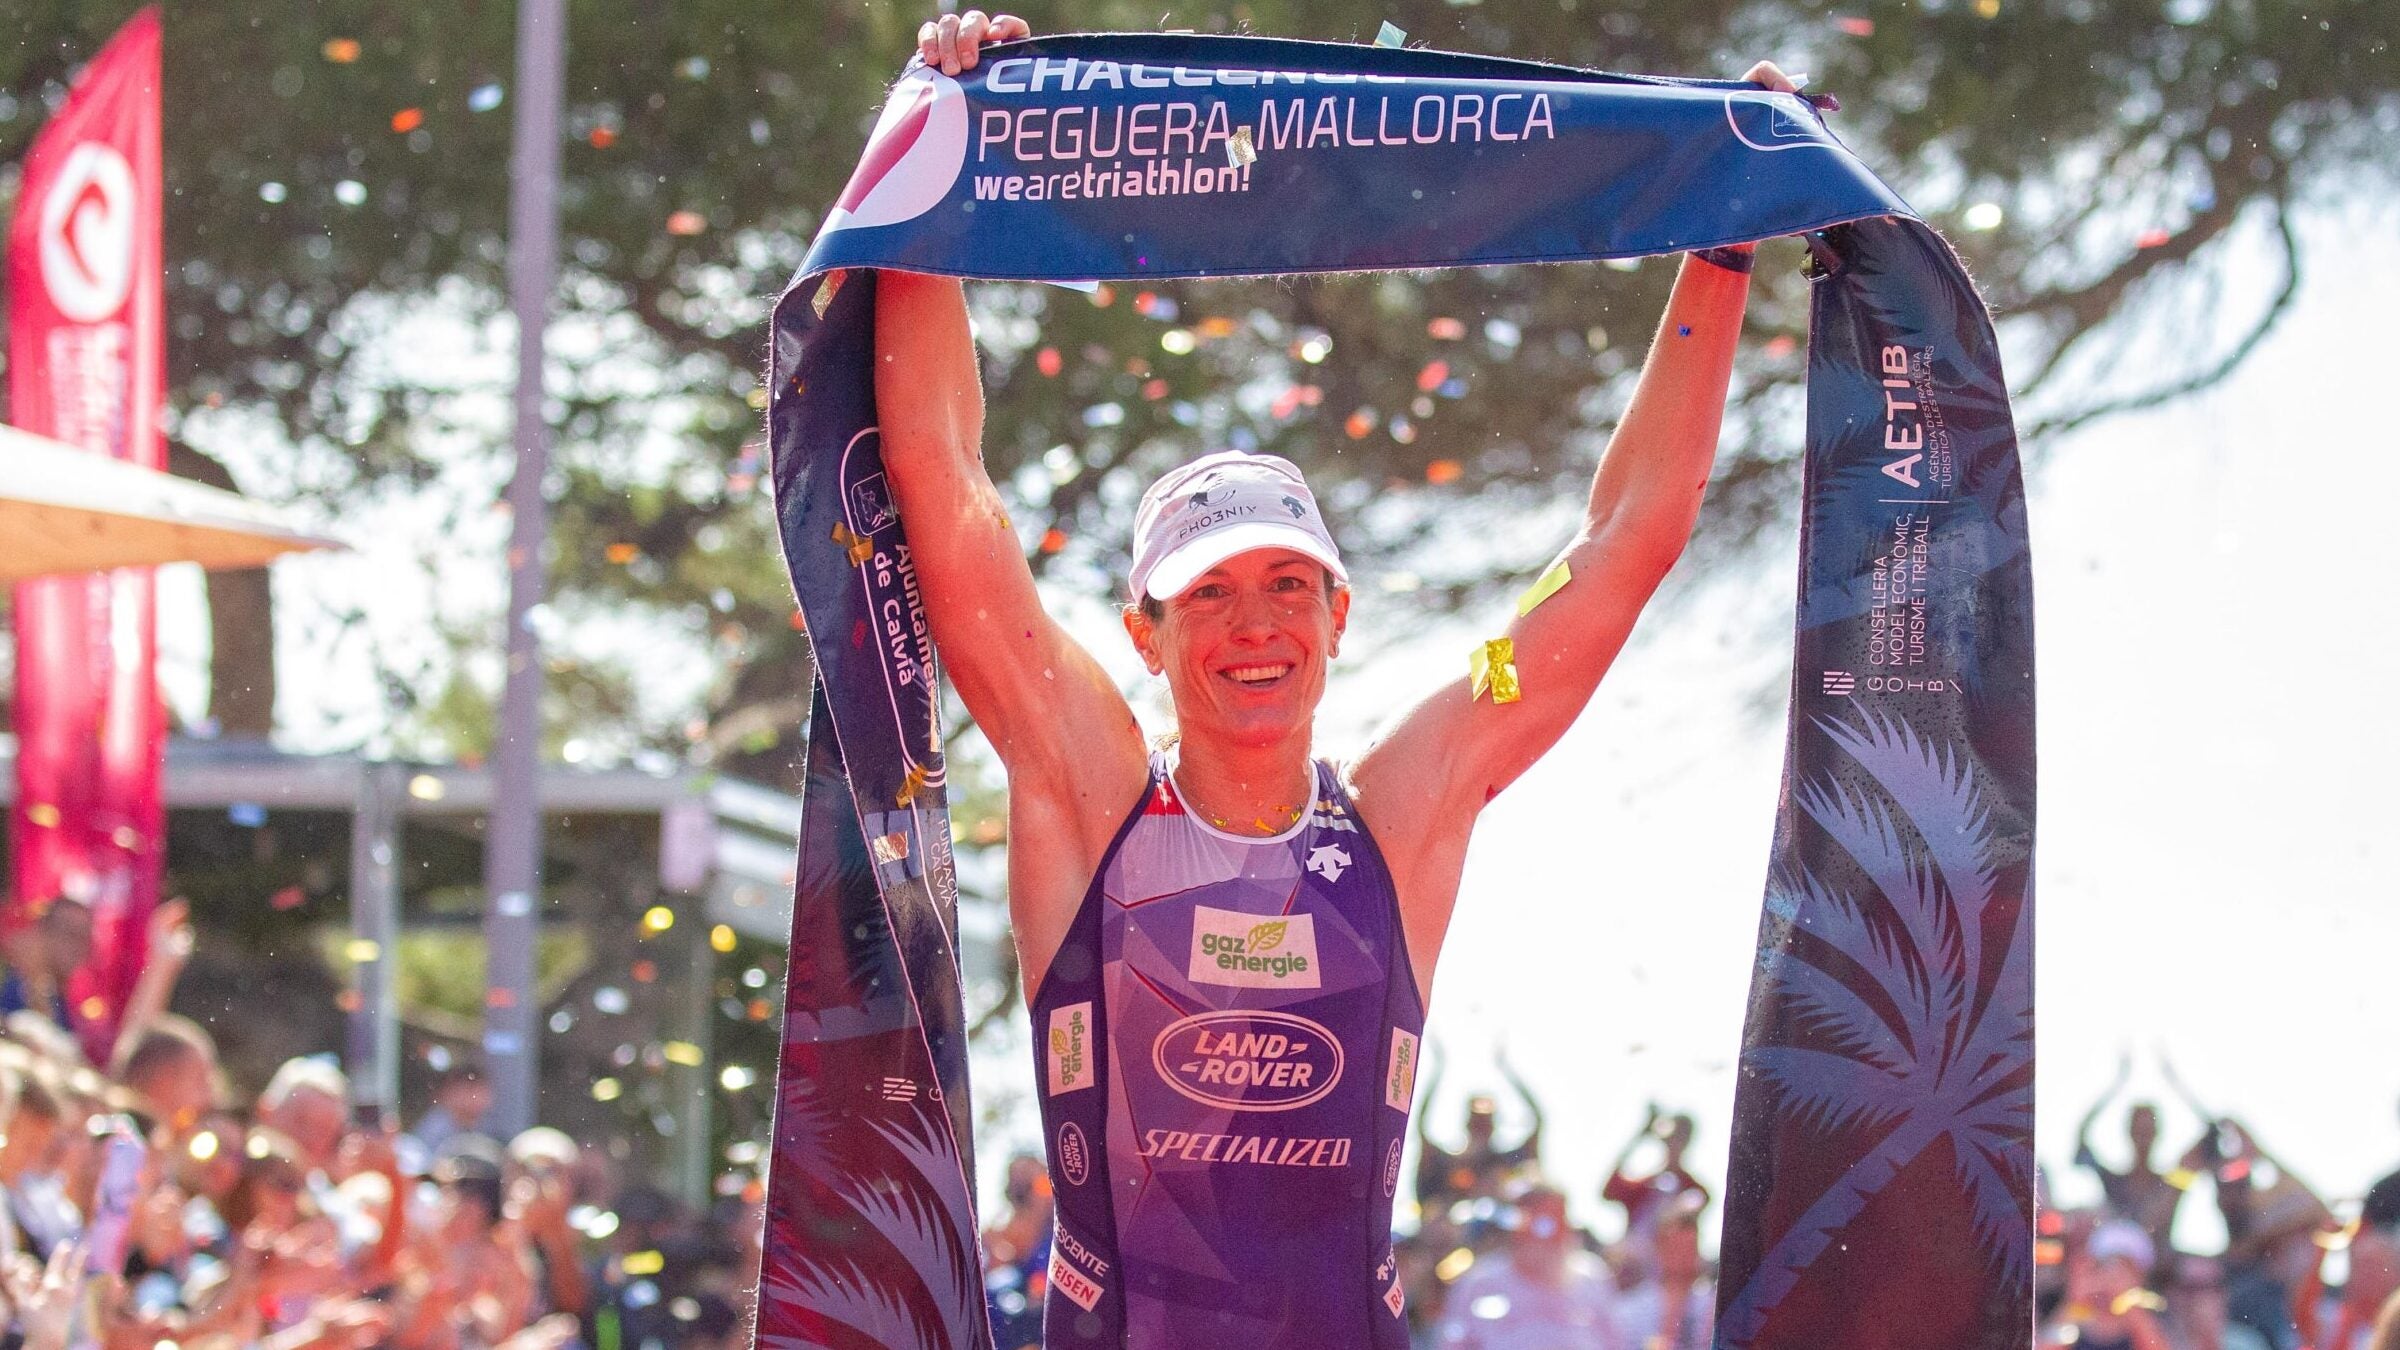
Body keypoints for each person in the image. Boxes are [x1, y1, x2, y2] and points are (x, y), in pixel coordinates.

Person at [892, 14, 1794, 1343]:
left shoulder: (1403, 807)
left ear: (1339, 615)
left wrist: (1725, 238)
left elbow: (1619, 547)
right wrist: (938, 172)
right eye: (1209, 591)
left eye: (1286, 585)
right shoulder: (1089, 792)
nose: (1252, 623)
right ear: (1145, 632)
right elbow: (945, 485)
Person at [1437, 1182, 1621, 1349]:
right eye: (1530, 1224)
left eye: (1551, 1223)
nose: (1541, 1238)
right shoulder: (1480, 1282)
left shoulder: (1591, 1279)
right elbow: (1454, 1342)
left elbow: (1615, 1342)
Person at [2075, 1062, 2184, 1276]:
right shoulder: (2112, 1180)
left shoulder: (2173, 1182)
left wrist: (2175, 1082)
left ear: (2157, 1133)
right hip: (2116, 1275)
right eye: (2138, 1128)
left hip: (2160, 1277)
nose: (2143, 1136)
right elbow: (2081, 1140)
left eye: (2148, 1129)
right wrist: (2115, 1085)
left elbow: (2209, 1141)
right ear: (2128, 1132)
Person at [1417, 1049, 1545, 1216]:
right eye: (1477, 1122)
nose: (1481, 1128)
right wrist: (1438, 1069)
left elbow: (1538, 1122)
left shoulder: (1504, 1162)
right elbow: (1422, 1127)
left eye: (1485, 1123)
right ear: (1468, 1124)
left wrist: (1508, 1071)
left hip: (1493, 1234)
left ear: (1493, 1126)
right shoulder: (1447, 1162)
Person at [1610, 1190, 1714, 1350]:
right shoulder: (1630, 1310)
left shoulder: (1713, 1307)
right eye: (1675, 1246)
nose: (1682, 1257)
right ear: (1659, 1248)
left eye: (1689, 1247)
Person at [1602, 1106, 1709, 1242]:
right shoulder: (1644, 1187)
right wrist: (1640, 1136)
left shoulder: (1694, 1188)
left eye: (1681, 1137)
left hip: (1669, 1262)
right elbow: (1608, 1192)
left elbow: (1695, 1203)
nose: (1675, 1143)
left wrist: (1672, 1214)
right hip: (1634, 1261)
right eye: (1673, 1137)